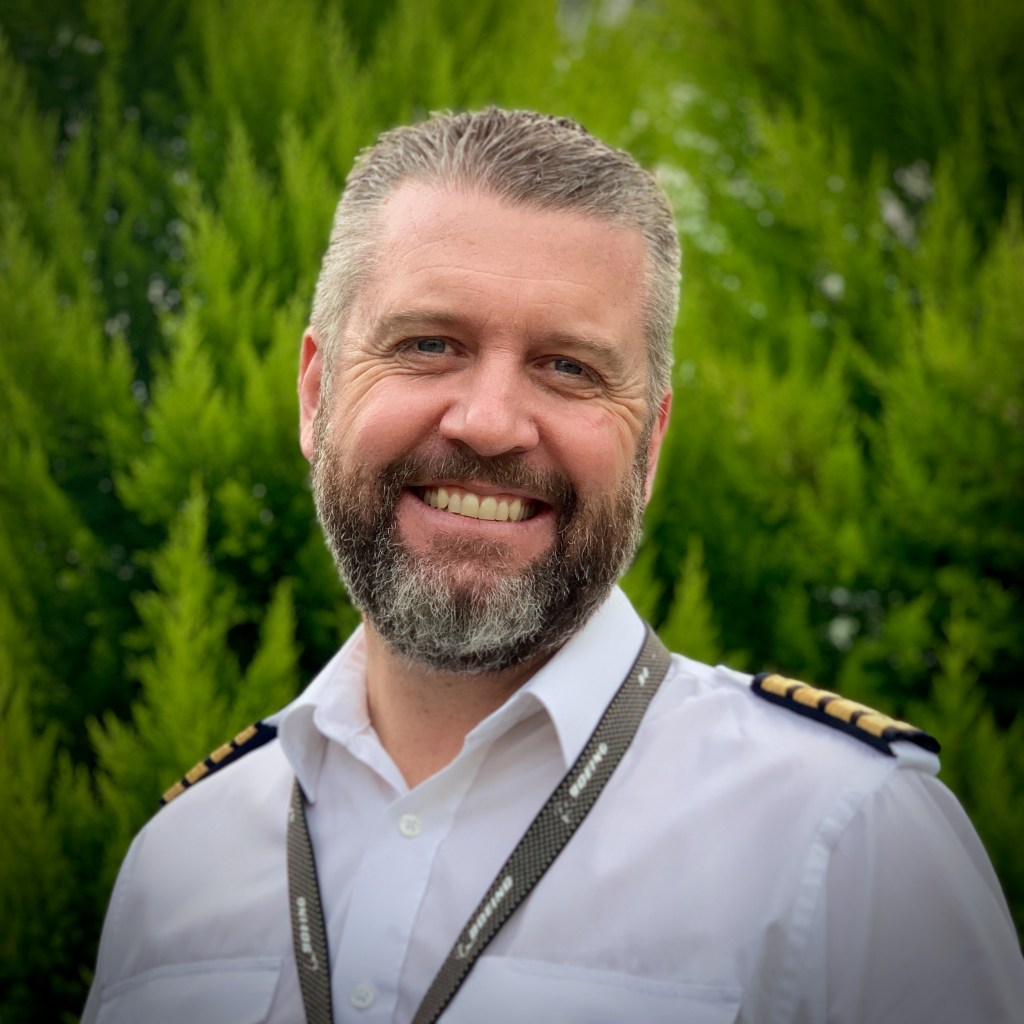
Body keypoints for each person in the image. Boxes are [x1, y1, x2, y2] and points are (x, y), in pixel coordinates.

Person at [82, 108, 1023, 1024]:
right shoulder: (179, 861)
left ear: (650, 445)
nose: (488, 422)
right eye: (428, 345)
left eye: (569, 367)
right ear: (317, 393)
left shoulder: (852, 842)